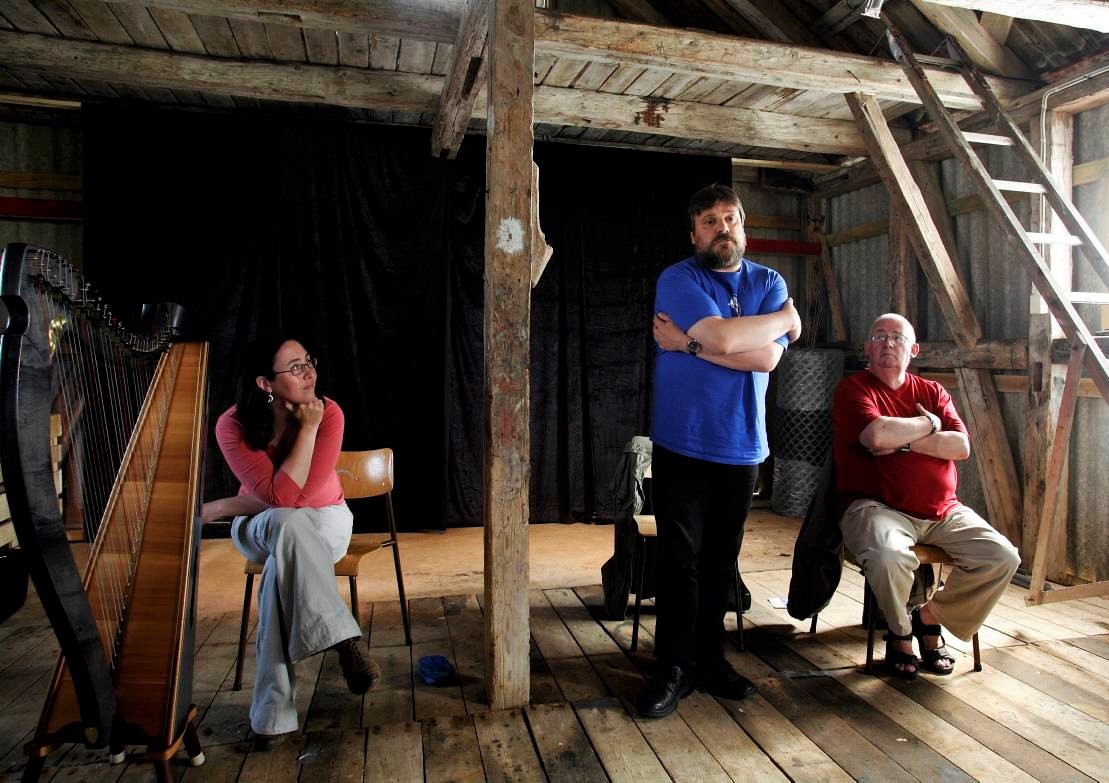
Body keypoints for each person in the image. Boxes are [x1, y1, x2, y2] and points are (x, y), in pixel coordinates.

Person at [638, 183, 801, 719]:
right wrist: (783, 322)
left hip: (742, 446)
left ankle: (710, 659)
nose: (721, 227)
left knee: (719, 562)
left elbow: (766, 363)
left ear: (744, 227)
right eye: (709, 220)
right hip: (682, 439)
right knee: (680, 560)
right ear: (694, 233)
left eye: (730, 217)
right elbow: (729, 341)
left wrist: (686, 344)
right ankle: (673, 665)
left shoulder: (768, 280)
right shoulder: (679, 278)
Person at [201, 334, 378, 749]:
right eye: (295, 367)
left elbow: (304, 496)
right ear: (265, 383)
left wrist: (221, 505)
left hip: (325, 521)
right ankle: (341, 637)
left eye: (308, 361)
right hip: (260, 526)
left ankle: (272, 719)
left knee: (283, 562)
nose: (309, 371)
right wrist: (302, 438)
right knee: (284, 522)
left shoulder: (328, 413)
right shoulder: (232, 424)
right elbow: (278, 498)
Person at [833, 313, 1020, 679]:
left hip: (943, 510)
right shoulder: (854, 388)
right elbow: (875, 437)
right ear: (867, 347)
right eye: (879, 336)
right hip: (876, 506)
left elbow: (961, 446)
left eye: (898, 338)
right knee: (888, 556)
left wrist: (901, 442)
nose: (888, 344)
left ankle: (929, 617)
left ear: (913, 349)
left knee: (1002, 557)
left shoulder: (933, 392)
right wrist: (930, 424)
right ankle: (900, 632)